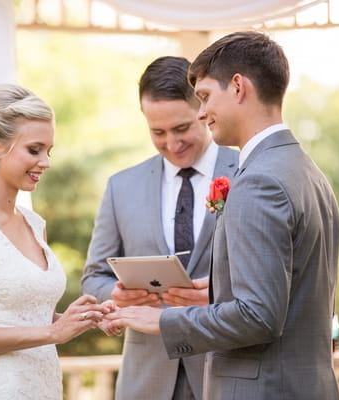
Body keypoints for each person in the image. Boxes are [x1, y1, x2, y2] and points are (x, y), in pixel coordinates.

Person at [106, 31, 339, 400]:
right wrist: (217, 294)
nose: (201, 113)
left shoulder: (259, 181)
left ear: (237, 87)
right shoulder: (306, 170)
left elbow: (258, 316)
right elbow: (289, 294)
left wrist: (164, 321)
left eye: (204, 97)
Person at [0, 83, 112, 399]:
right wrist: (52, 332)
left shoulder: (34, 224)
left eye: (48, 151)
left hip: (43, 387)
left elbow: (27, 318)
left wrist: (78, 319)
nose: (45, 162)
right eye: (34, 150)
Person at [82, 56, 239, 399]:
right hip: (146, 380)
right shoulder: (120, 187)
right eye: (158, 132)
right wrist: (115, 295)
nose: (172, 143)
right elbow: (93, 277)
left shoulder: (246, 172)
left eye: (181, 128)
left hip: (226, 371)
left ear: (203, 108)